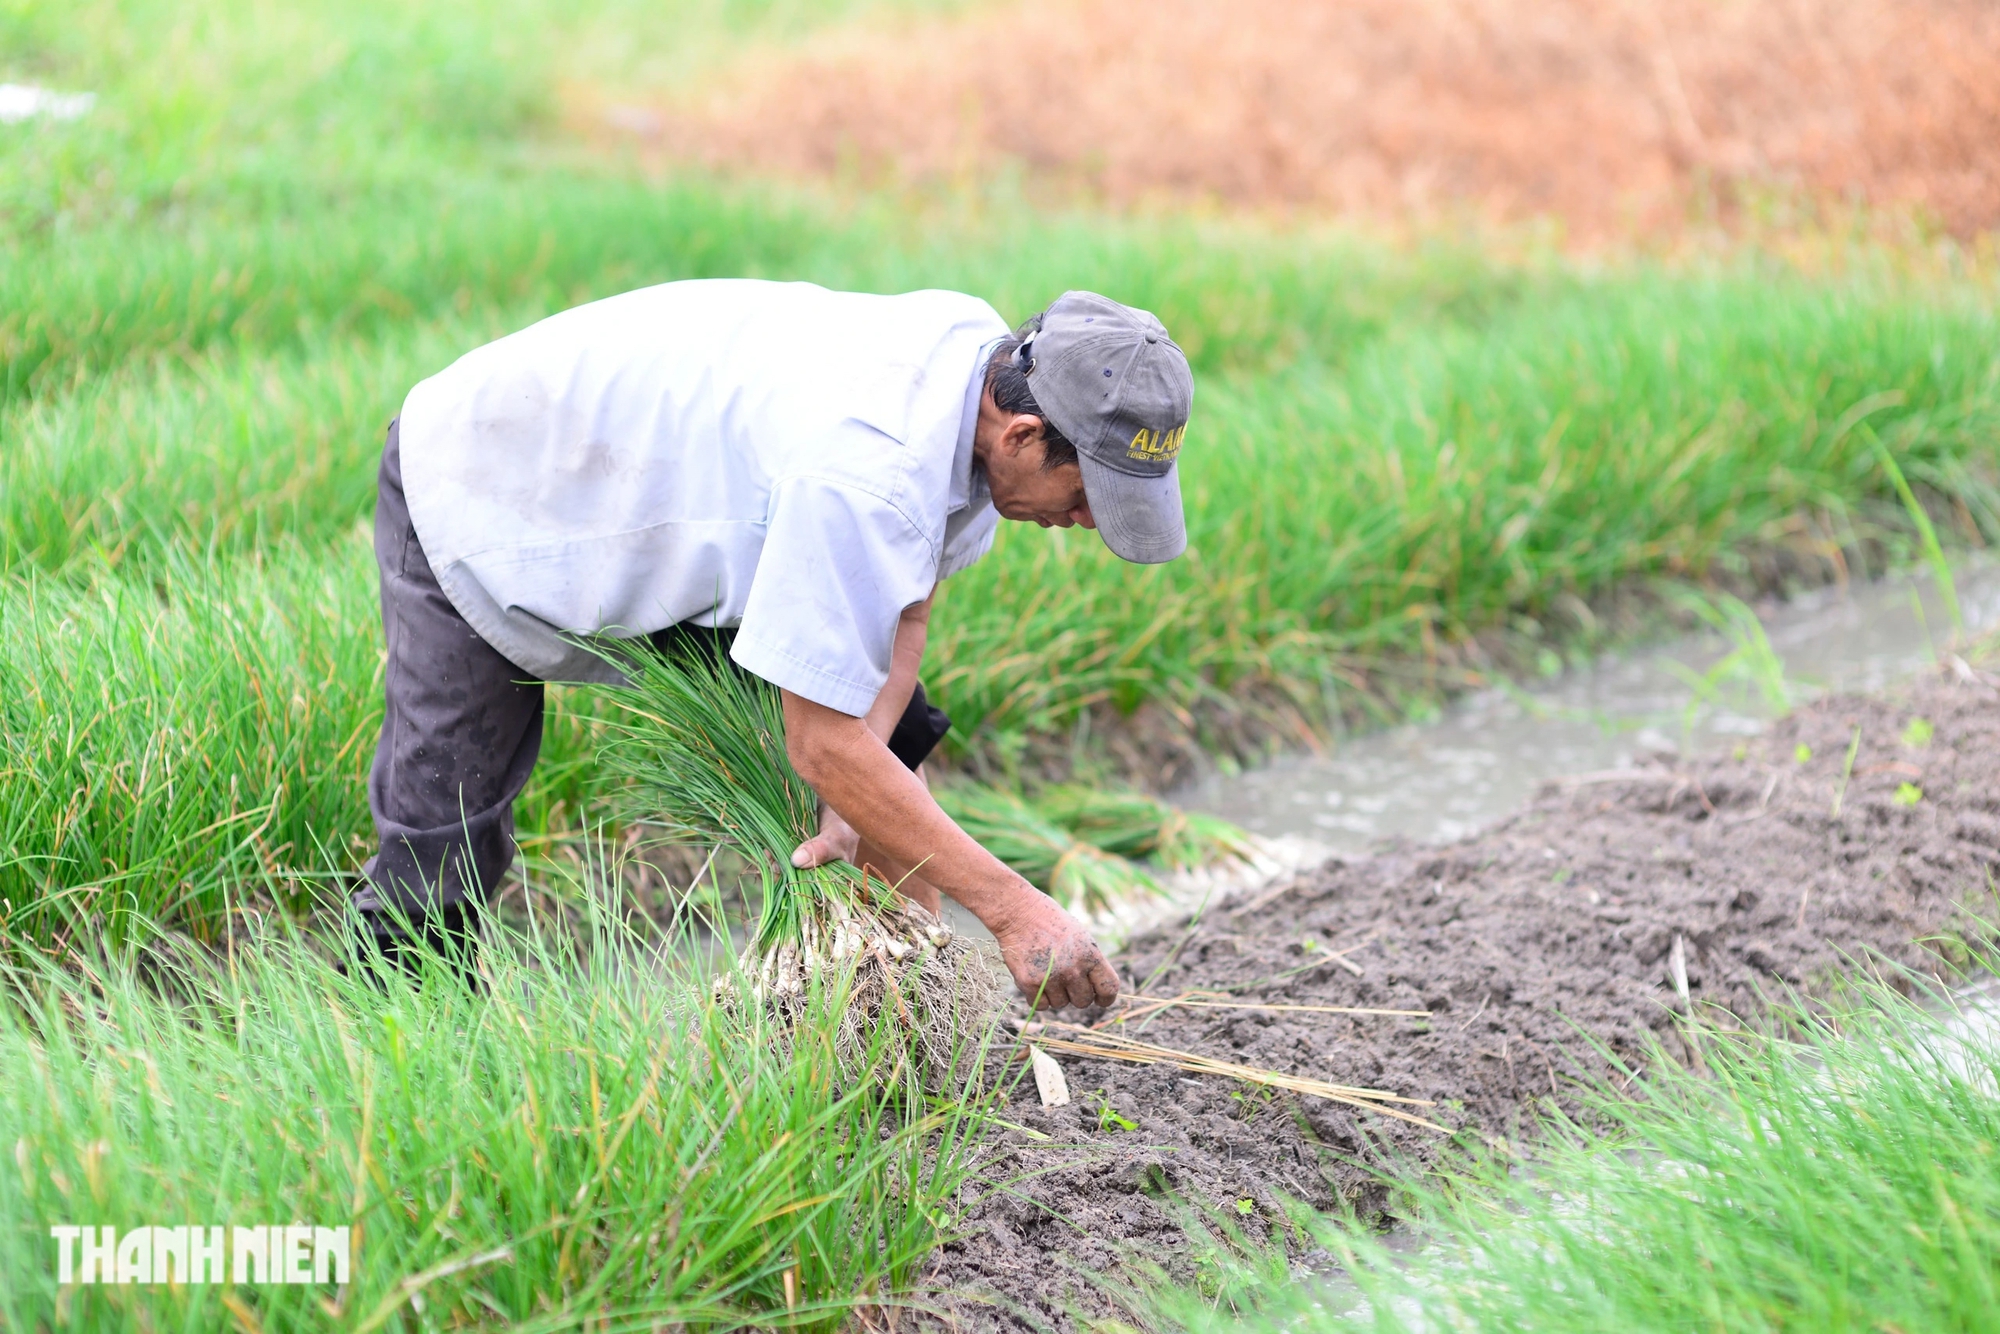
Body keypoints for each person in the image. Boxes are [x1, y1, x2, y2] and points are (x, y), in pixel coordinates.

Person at [355, 280, 1194, 1009]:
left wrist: (861, 793)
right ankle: (389, 1050)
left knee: (888, 749)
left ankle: (891, 993)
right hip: (497, 473)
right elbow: (822, 743)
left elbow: (904, 615)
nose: (1084, 523)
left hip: (677, 489)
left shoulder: (984, 379)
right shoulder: (872, 468)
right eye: (1085, 496)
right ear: (1020, 437)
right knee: (446, 833)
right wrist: (1016, 909)